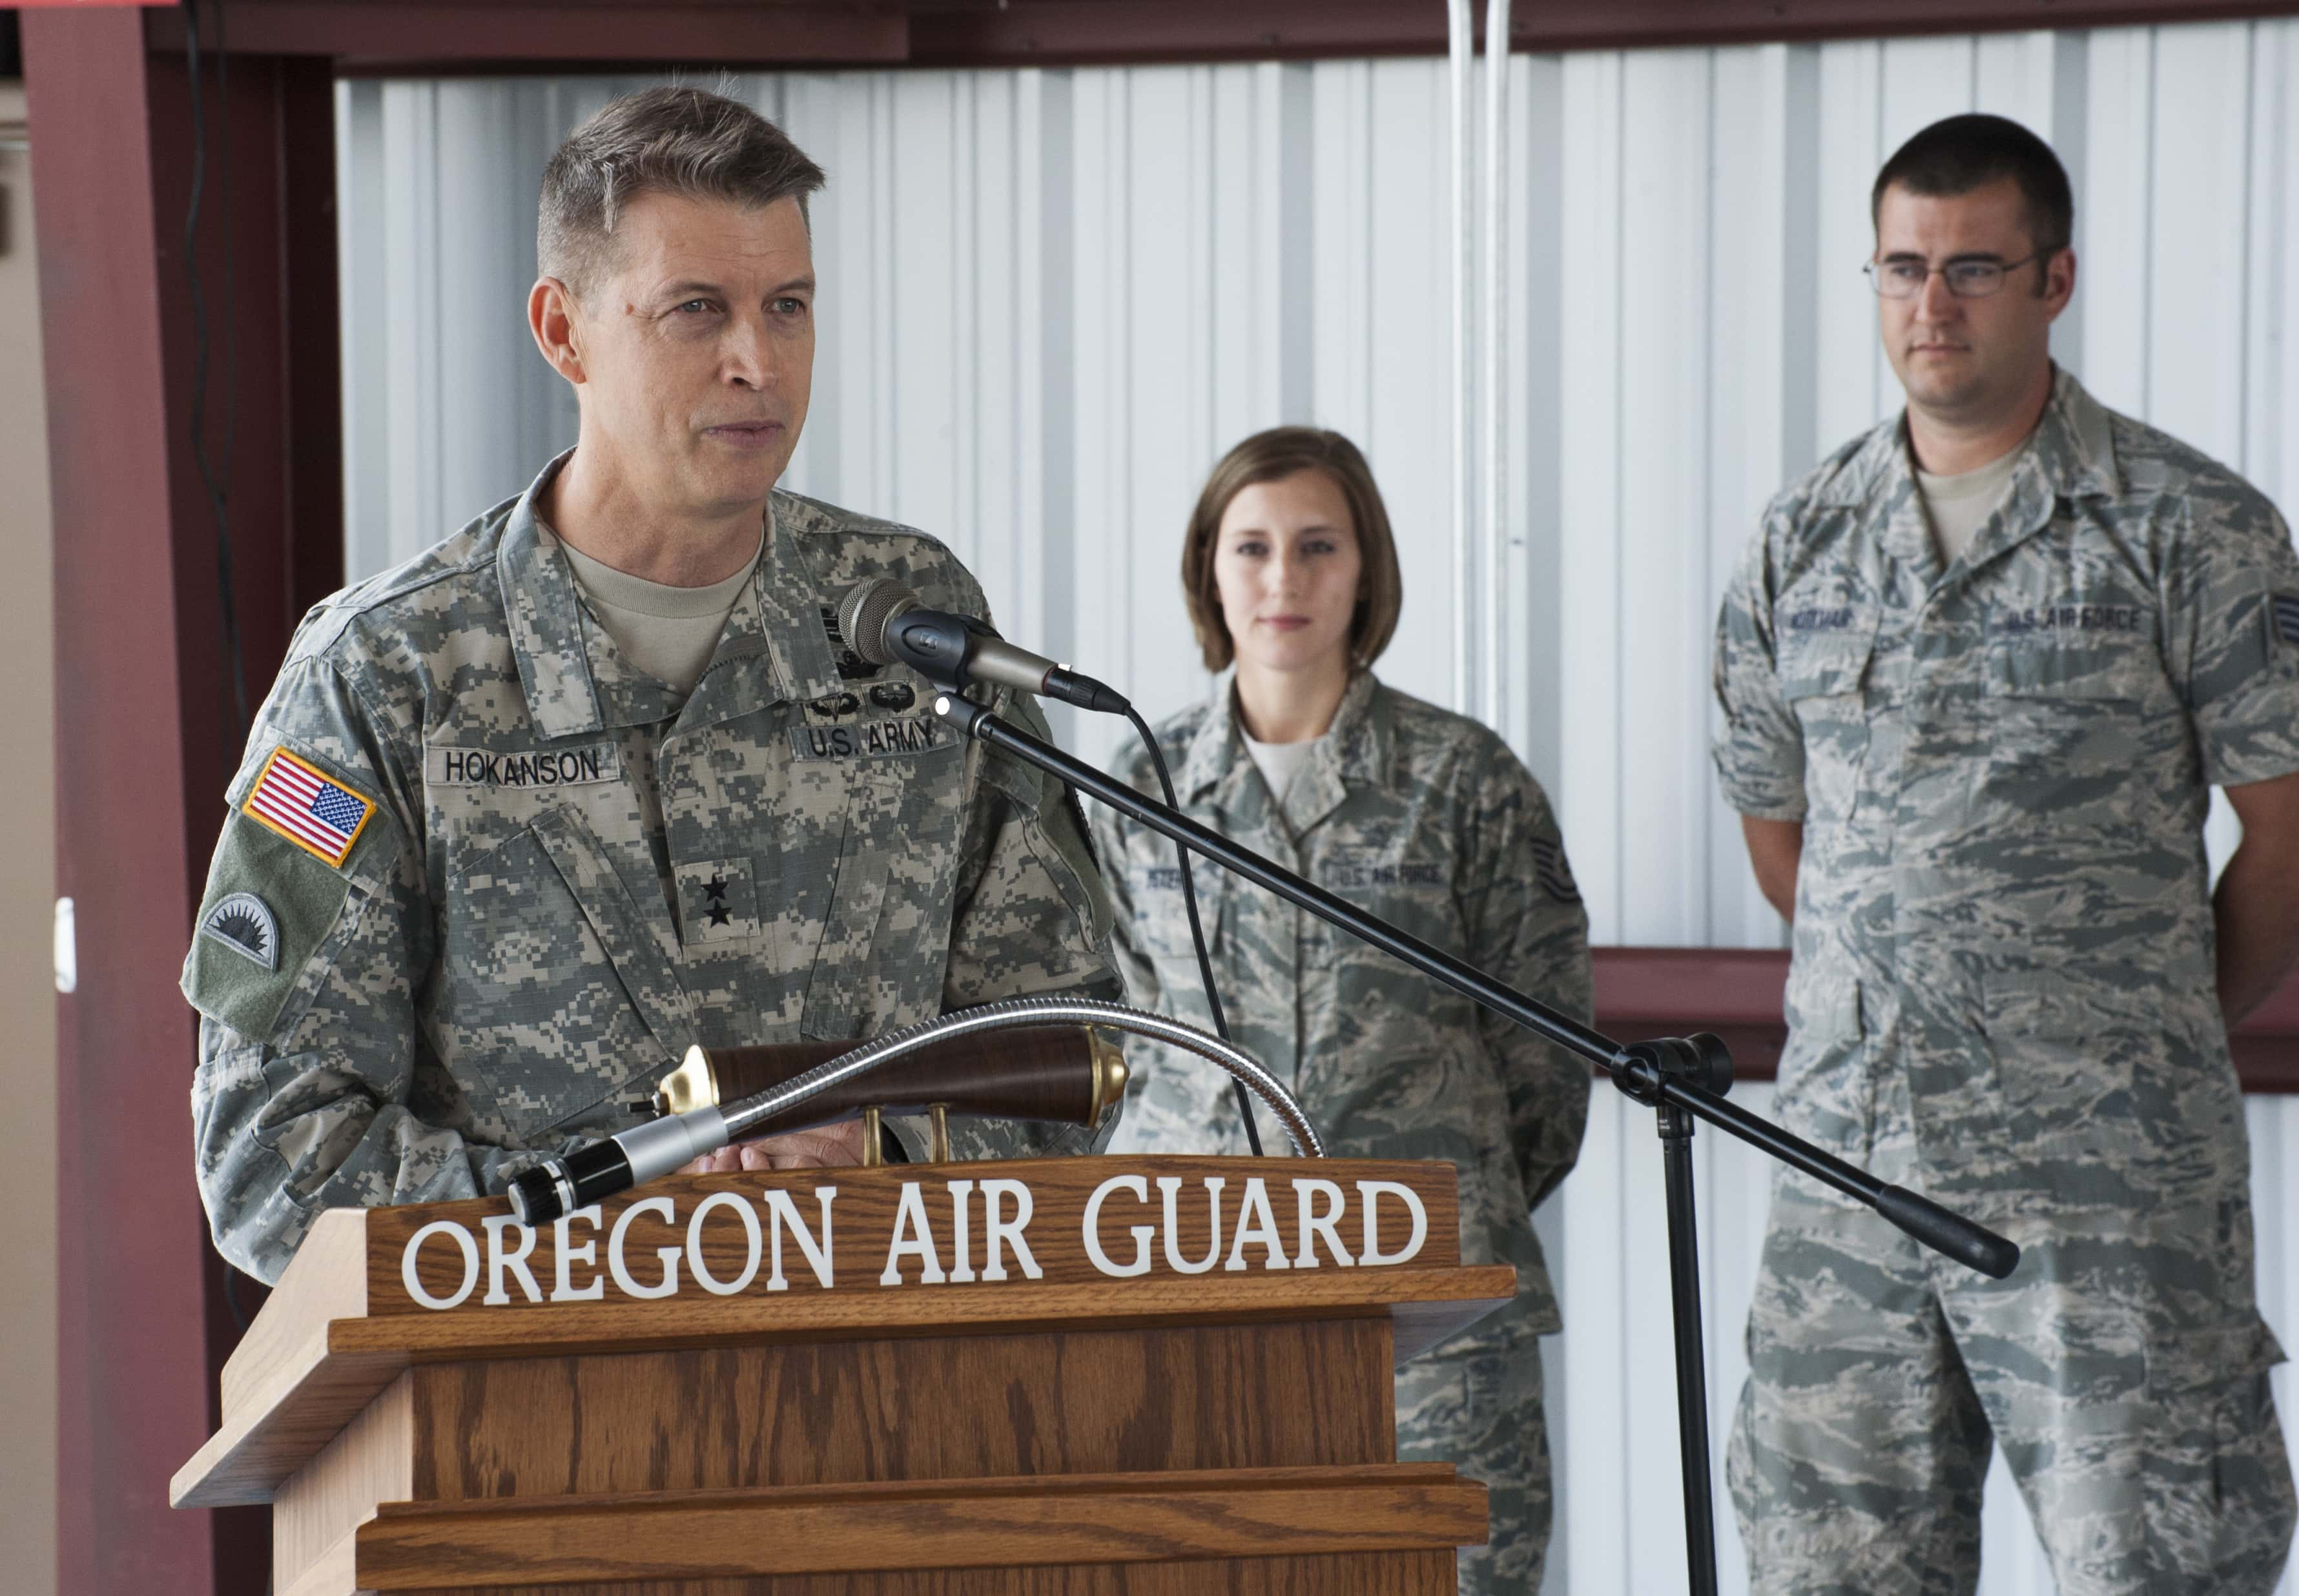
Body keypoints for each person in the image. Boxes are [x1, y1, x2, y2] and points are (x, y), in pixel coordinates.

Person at [183, 87, 1119, 1285]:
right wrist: (627, 1227)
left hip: (893, 1403)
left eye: (789, 307)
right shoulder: (389, 673)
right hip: (536, 1426)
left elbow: (1072, 1049)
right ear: (563, 331)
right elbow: (270, 1156)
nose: (758, 361)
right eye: (697, 311)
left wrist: (883, 1156)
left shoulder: (901, 620)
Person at [1714, 112, 2299, 1594]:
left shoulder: (2192, 528)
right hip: (1846, 1176)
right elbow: (1789, 847)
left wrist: (2124, 1027)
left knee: (2155, 1570)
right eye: (1902, 267)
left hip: (2108, 1196)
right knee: (1830, 1574)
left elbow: (2289, 835)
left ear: (2055, 280)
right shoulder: (1802, 540)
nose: (1931, 305)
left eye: (1973, 267)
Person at [1094, 426, 1592, 1593]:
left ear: (1367, 568)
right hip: (1196, 1293)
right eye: (1252, 547)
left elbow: (1546, 1057)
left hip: (1431, 1302)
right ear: (1207, 570)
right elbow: (1113, 1043)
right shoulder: (1138, 786)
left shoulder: (1465, 780)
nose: (1283, 580)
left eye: (1319, 546)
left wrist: (1436, 1196)